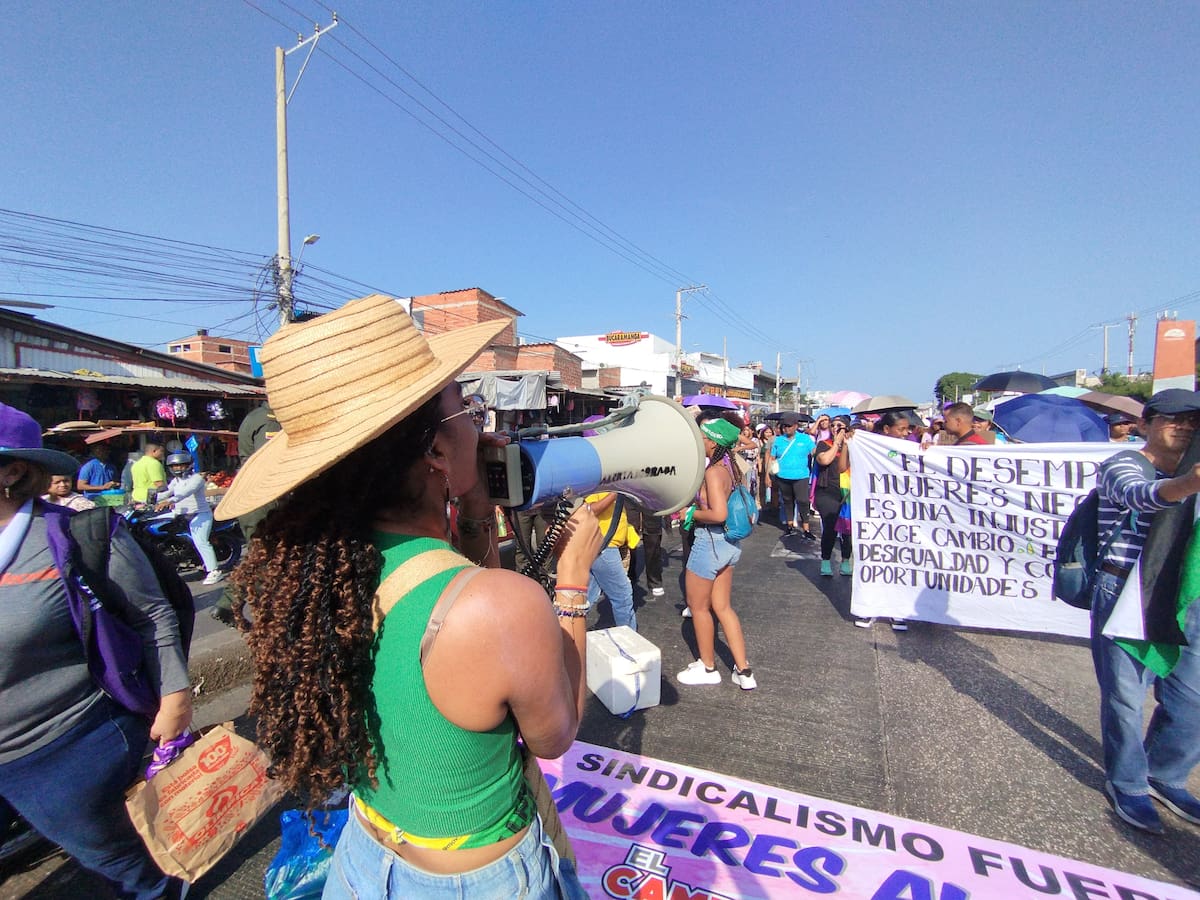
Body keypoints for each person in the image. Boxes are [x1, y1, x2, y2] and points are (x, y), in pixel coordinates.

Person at [217, 294, 601, 898]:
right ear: (436, 451)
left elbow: (444, 613)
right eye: (466, 407)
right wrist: (573, 580)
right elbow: (556, 737)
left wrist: (475, 515)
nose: (480, 424)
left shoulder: (322, 573)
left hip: (366, 857)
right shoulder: (500, 606)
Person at [0, 403, 191, 900]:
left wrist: (175, 697)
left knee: (123, 863)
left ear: (13, 470)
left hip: (67, 747)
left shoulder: (76, 536)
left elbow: (153, 616)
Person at [1089, 389, 1200, 835]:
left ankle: (1166, 774)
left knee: (1191, 696)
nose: (1187, 427)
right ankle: (1129, 783)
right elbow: (1142, 496)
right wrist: (1189, 485)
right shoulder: (1123, 464)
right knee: (1125, 696)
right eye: (1176, 419)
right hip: (1127, 592)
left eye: (1194, 420)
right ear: (1147, 423)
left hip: (1186, 596)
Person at [677, 415, 756, 690]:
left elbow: (719, 513)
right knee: (723, 607)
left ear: (712, 441)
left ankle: (708, 667)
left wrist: (690, 513)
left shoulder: (713, 472)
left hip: (709, 542)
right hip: (729, 546)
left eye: (701, 437)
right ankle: (744, 672)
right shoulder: (732, 467)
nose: (698, 440)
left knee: (699, 608)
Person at [857, 412, 913, 631]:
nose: (905, 433)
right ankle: (869, 608)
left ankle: (898, 611)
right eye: (901, 429)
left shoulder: (912, 448)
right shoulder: (869, 446)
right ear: (887, 430)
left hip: (903, 516)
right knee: (873, 560)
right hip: (874, 513)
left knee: (900, 562)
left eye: (907, 429)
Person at [157, 451, 225, 586]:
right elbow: (166, 493)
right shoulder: (176, 481)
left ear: (188, 466)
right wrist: (146, 499)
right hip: (181, 515)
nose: (177, 469)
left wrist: (171, 500)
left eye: (181, 466)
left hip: (200, 515)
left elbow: (185, 492)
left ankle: (214, 571)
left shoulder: (196, 479)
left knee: (201, 541)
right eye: (174, 466)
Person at [583, 490, 637, 630]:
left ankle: (561, 632)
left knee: (586, 598)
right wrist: (614, 493)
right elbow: (589, 509)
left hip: (602, 547)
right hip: (604, 548)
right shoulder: (598, 486)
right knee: (622, 596)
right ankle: (629, 640)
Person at [813, 416, 852, 577]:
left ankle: (845, 561)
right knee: (830, 526)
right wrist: (837, 443)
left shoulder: (853, 446)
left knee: (847, 529)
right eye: (833, 425)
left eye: (840, 426)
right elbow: (824, 460)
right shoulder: (824, 444)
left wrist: (847, 443)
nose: (835, 428)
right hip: (827, 491)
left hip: (847, 493)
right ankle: (826, 560)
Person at [769, 412, 816, 538]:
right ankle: (789, 526)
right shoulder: (778, 440)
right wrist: (769, 475)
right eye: (784, 426)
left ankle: (806, 529)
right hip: (783, 476)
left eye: (789, 426)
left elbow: (814, 452)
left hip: (801, 476)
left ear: (796, 426)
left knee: (803, 501)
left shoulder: (805, 439)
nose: (786, 428)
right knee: (787, 501)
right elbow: (772, 457)